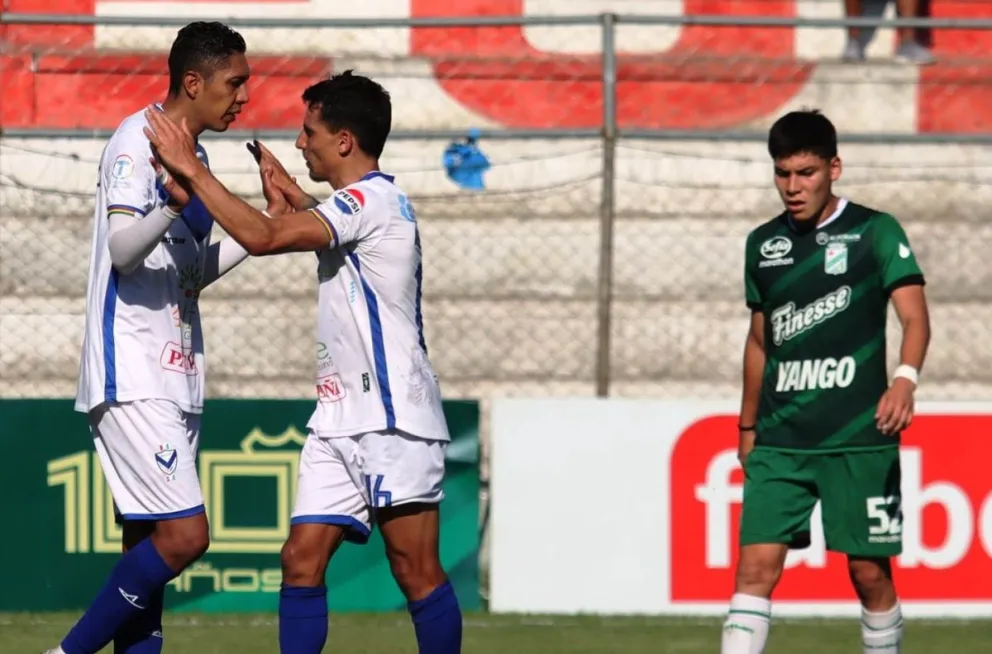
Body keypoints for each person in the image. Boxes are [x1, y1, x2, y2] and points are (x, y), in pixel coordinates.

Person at [142, 70, 463, 654]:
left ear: (343, 141)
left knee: (414, 569)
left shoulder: (373, 199)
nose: (298, 141)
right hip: (340, 416)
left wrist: (191, 168)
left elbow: (263, 238)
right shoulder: (358, 206)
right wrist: (301, 202)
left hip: (392, 417)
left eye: (309, 130)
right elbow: (323, 234)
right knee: (300, 559)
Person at [46, 21, 253, 654]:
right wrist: (170, 203)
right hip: (131, 369)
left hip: (175, 370)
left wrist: (262, 231)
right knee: (187, 536)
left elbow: (187, 273)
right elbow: (123, 251)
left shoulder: (196, 155)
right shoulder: (138, 142)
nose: (244, 96)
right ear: (193, 82)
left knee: (149, 550)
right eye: (234, 83)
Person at [720, 109, 930, 654]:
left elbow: (915, 317)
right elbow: (760, 342)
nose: (793, 187)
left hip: (859, 436)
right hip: (781, 439)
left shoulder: (875, 231)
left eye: (806, 173)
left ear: (834, 168)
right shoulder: (763, 244)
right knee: (755, 569)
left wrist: (904, 380)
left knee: (868, 574)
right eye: (783, 173)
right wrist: (747, 424)